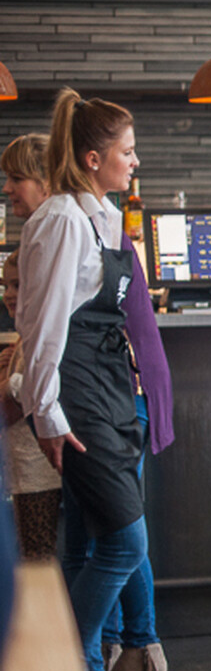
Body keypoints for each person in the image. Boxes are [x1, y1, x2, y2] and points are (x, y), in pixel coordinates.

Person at [16, 89, 160, 671]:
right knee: (127, 540)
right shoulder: (61, 221)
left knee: (98, 539)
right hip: (76, 391)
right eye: (127, 152)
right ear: (94, 156)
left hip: (106, 383)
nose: (136, 162)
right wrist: (45, 414)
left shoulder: (100, 215)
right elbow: (42, 326)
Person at [2, 136, 62, 559]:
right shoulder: (40, 235)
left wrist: (8, 385)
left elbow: (52, 354)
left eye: (16, 178)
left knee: (40, 558)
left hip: (43, 458)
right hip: (33, 458)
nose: (7, 188)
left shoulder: (54, 238)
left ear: (45, 182)